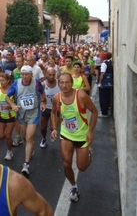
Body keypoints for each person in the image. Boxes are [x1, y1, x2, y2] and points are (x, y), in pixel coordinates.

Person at [50, 73, 98, 202]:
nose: (64, 85)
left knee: (82, 167)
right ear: (59, 83)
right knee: (66, 163)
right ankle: (74, 186)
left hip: (82, 135)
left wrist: (91, 132)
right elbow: (53, 112)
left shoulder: (81, 96)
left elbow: (94, 111)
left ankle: (89, 154)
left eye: (67, 82)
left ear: (72, 83)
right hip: (66, 134)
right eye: (61, 82)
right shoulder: (56, 98)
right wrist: (54, 128)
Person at [5, 65, 46, 175]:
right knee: (24, 136)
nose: (24, 76)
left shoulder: (36, 82)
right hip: (22, 113)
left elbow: (42, 92)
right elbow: (7, 97)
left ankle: (26, 165)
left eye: (26, 74)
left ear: (31, 75)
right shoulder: (16, 83)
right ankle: (30, 146)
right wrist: (13, 105)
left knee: (29, 136)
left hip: (33, 113)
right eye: (23, 74)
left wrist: (43, 102)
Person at [0, 73, 16, 160]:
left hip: (11, 116)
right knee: (1, 136)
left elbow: (17, 104)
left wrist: (10, 106)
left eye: (3, 80)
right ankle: (9, 140)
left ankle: (9, 151)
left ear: (8, 81)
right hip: (1, 116)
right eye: (0, 80)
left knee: (8, 135)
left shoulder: (13, 90)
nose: (1, 82)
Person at [39, 67, 60, 148]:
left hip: (55, 109)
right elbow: (40, 94)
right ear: (46, 74)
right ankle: (44, 138)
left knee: (53, 127)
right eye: (49, 75)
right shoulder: (43, 84)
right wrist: (42, 102)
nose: (51, 76)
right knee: (43, 128)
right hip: (46, 108)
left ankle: (52, 132)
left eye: (53, 75)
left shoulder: (59, 83)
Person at [98, 52, 113, 117]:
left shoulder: (104, 64)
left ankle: (104, 113)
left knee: (103, 98)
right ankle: (106, 110)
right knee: (107, 97)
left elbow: (102, 74)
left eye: (101, 56)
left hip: (104, 83)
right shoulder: (110, 62)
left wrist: (100, 82)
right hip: (108, 83)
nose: (100, 58)